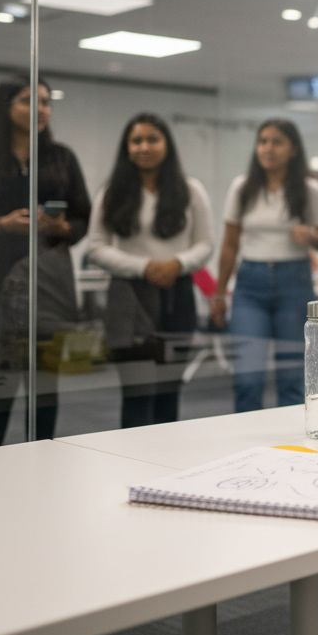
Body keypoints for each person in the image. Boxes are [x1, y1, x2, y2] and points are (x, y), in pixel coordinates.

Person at [0, 74, 91, 447]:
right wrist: (0, 225)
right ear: (5, 107)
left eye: (45, 101)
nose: (41, 109)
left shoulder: (61, 158)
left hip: (48, 286)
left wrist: (61, 226)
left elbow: (83, 219)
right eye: (29, 100)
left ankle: (41, 469)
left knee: (45, 391)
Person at [84, 113, 214, 427]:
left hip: (177, 294)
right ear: (127, 147)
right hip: (128, 299)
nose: (145, 146)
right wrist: (144, 267)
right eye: (136, 140)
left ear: (166, 144)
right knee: (136, 393)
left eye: (153, 139)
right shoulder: (112, 191)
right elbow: (95, 246)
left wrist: (177, 264)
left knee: (169, 389)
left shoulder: (190, 190)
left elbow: (205, 244)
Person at [211, 119, 318, 412]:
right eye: (263, 141)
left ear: (293, 149)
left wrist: (312, 235)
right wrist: (219, 293)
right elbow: (229, 244)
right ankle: (246, 447)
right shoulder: (242, 188)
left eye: (277, 142)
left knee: (291, 375)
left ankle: (290, 446)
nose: (268, 148)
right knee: (247, 375)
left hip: (294, 280)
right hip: (250, 282)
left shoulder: (309, 189)